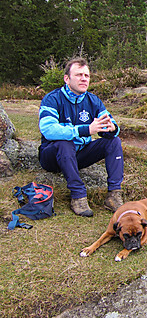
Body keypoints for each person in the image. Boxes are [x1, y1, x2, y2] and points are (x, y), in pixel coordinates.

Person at [38, 57, 124, 217]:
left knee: (113, 141)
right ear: (67, 78)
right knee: (65, 142)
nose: (83, 79)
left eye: (86, 75)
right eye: (78, 75)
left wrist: (111, 128)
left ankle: (114, 195)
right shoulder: (53, 99)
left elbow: (108, 121)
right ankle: (78, 195)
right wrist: (85, 129)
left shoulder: (93, 101)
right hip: (53, 157)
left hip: (79, 155)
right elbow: (48, 129)